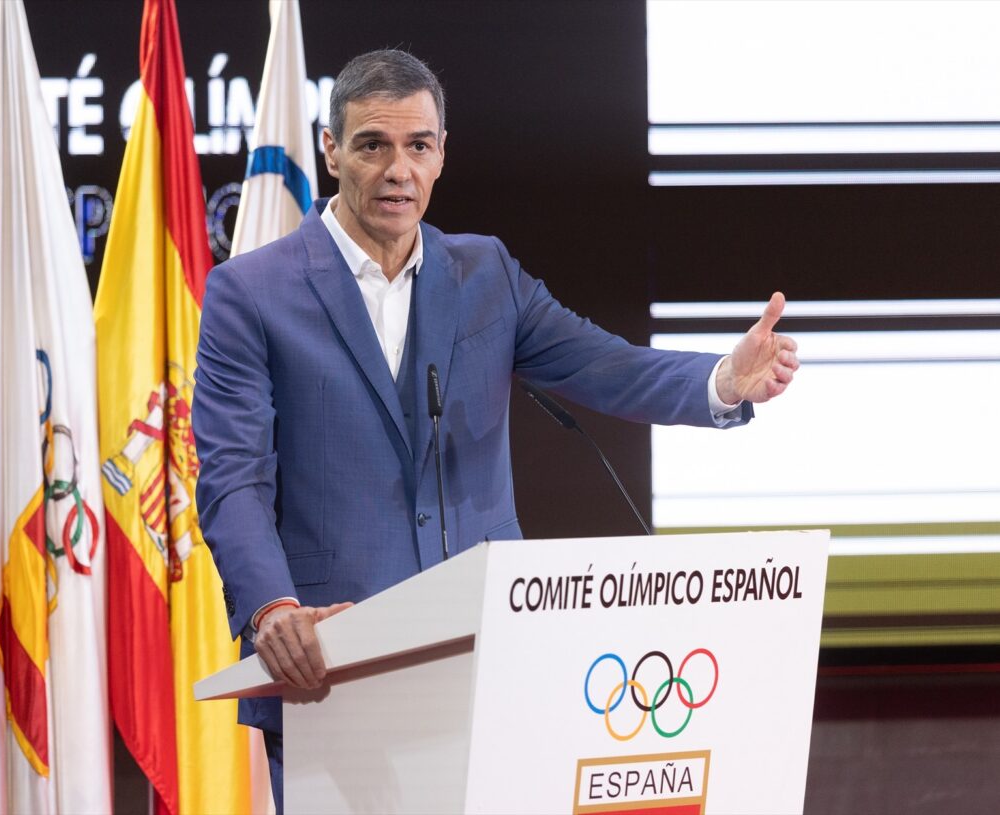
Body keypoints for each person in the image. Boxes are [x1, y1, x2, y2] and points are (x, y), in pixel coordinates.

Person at [192, 49, 798, 812]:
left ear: (442, 153)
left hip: (490, 657)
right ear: (331, 148)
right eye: (373, 144)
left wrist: (719, 380)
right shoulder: (250, 293)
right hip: (333, 672)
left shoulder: (487, 275)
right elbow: (232, 479)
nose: (397, 170)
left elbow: (605, 365)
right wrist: (272, 609)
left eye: (418, 146)